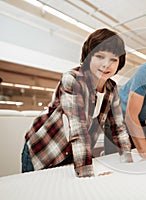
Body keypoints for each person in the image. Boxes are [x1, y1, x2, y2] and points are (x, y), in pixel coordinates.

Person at [21, 28, 132, 177]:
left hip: (74, 154)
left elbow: (118, 128)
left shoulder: (111, 89)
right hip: (44, 150)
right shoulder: (73, 80)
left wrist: (128, 162)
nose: (106, 64)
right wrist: (87, 176)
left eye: (113, 59)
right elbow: (78, 129)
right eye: (99, 56)